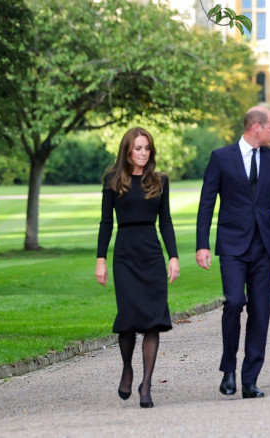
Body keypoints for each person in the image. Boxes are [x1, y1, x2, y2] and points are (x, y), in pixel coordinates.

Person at [196, 106, 270, 399]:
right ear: (255, 127)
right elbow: (206, 204)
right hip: (232, 246)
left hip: (265, 247)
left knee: (260, 313)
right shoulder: (221, 158)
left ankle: (250, 379)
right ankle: (228, 369)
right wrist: (202, 244)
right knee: (235, 302)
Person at [95, 127, 180, 408]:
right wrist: (101, 260)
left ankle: (147, 385)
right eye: (138, 148)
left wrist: (173, 256)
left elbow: (165, 221)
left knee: (153, 320)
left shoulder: (160, 180)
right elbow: (106, 222)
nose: (143, 153)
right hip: (125, 255)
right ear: (127, 151)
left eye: (147, 148)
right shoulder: (112, 180)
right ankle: (127, 369)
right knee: (129, 320)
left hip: (152, 254)